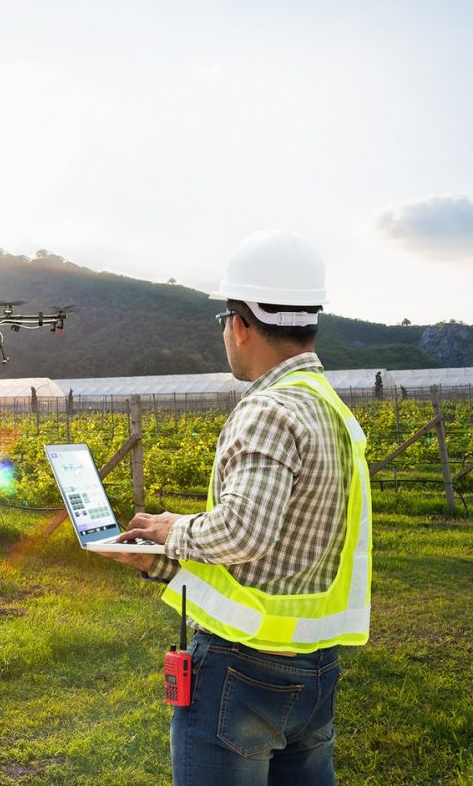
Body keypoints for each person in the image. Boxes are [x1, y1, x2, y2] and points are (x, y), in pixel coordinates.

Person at [98, 227, 372, 786]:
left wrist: (173, 529)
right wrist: (161, 562)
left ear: (241, 324)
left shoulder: (268, 409)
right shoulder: (331, 410)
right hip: (315, 669)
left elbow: (245, 534)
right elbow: (278, 561)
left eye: (225, 321)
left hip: (243, 674)